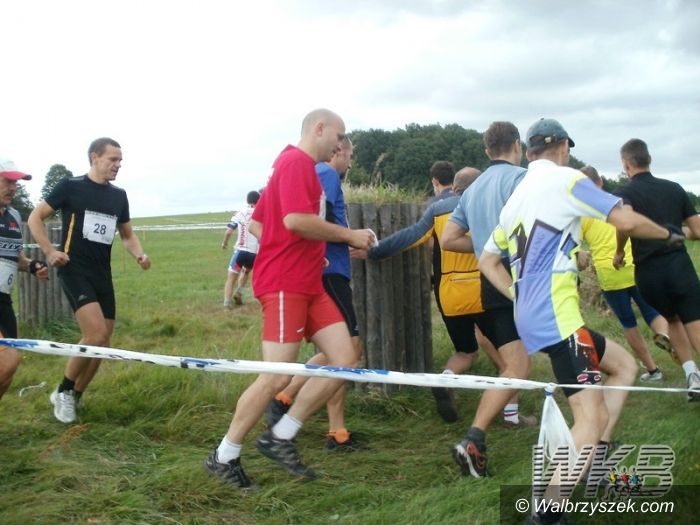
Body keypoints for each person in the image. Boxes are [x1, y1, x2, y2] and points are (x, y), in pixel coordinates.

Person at [478, 119, 682, 524]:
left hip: (536, 317)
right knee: (591, 417)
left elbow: (487, 260)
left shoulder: (516, 198)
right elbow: (625, 220)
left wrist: (516, 293)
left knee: (624, 366)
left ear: (529, 151)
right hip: (559, 318)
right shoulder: (567, 180)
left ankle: (592, 459)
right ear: (563, 148)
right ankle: (547, 513)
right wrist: (668, 235)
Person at [204, 109, 375, 490]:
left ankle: (281, 436)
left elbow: (260, 223)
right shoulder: (296, 163)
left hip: (308, 281)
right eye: (339, 136)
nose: (341, 145)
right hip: (286, 285)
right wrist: (348, 236)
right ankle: (224, 455)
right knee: (277, 376)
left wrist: (303, 253)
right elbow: (296, 221)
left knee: (345, 357)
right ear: (320, 129)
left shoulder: (292, 165)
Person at [364, 166, 536, 427]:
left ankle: (446, 378)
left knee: (466, 351)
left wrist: (375, 252)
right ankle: (511, 416)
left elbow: (411, 236)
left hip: (449, 295)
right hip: (484, 292)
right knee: (512, 360)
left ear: (454, 188)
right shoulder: (490, 205)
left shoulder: (436, 210)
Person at [28, 138, 151, 423]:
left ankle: (76, 395)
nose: (118, 165)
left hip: (101, 273)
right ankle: (63, 390)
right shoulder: (71, 186)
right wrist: (50, 252)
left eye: (120, 160)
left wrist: (140, 255)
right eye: (113, 159)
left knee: (103, 343)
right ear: (94, 157)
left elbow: (128, 235)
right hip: (74, 269)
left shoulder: (119, 196)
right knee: (94, 334)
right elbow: (35, 217)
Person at [440, 121, 531, 478]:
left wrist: (482, 248)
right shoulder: (521, 179)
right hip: (520, 279)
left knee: (516, 366)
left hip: (488, 283)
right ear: (517, 145)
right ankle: (593, 434)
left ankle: (475, 439)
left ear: (487, 150)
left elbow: (449, 239)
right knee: (541, 358)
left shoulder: (473, 189)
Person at [265, 137, 365, 450]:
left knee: (343, 352)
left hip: (329, 269)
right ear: (340, 150)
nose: (350, 162)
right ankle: (287, 400)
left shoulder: (316, 173)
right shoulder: (325, 173)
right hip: (329, 273)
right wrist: (349, 237)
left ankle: (331, 427)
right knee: (348, 350)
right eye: (350, 154)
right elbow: (310, 221)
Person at [613, 138, 700, 401]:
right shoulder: (674, 189)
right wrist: (677, 232)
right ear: (648, 159)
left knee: (672, 320)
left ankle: (692, 377)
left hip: (649, 273)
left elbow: (625, 224)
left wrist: (619, 251)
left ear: (626, 164)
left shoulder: (624, 193)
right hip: (679, 267)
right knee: (694, 320)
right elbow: (697, 231)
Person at [578, 165, 672, 380]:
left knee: (628, 321)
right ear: (601, 181)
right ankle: (666, 335)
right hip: (633, 264)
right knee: (651, 310)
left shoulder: (583, 213)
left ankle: (653, 370)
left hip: (610, 271)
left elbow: (575, 244)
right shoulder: (620, 202)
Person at [0, 159, 49, 400]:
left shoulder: (13, 216)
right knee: (7, 361)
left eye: (15, 183)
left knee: (9, 370)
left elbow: (15, 256)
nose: (13, 188)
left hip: (4, 301)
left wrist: (31, 266)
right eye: (7, 182)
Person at [221, 190, 260, 307]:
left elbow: (228, 232)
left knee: (231, 278)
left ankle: (227, 305)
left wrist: (224, 243)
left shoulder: (239, 213)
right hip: (254, 253)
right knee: (246, 272)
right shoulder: (261, 212)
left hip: (240, 251)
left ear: (248, 201)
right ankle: (239, 292)